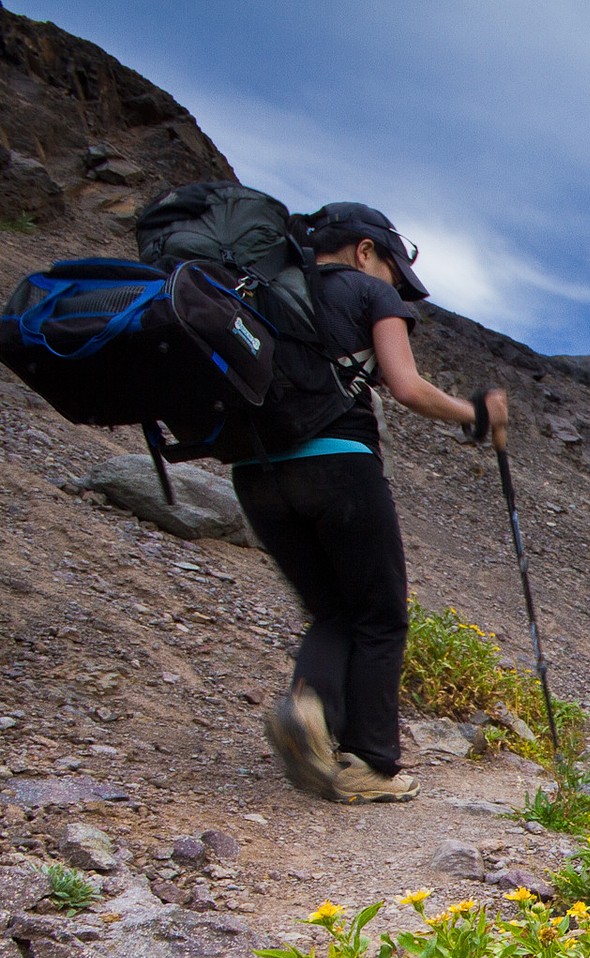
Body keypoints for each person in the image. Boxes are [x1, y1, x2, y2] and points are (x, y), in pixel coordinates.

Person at [235, 201, 508, 802]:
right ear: (365, 251)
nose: (394, 285)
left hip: (254, 475)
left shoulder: (253, 291)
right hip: (338, 466)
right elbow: (406, 387)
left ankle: (309, 711)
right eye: (391, 268)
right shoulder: (368, 292)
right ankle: (372, 766)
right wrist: (477, 414)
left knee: (332, 611)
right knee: (381, 616)